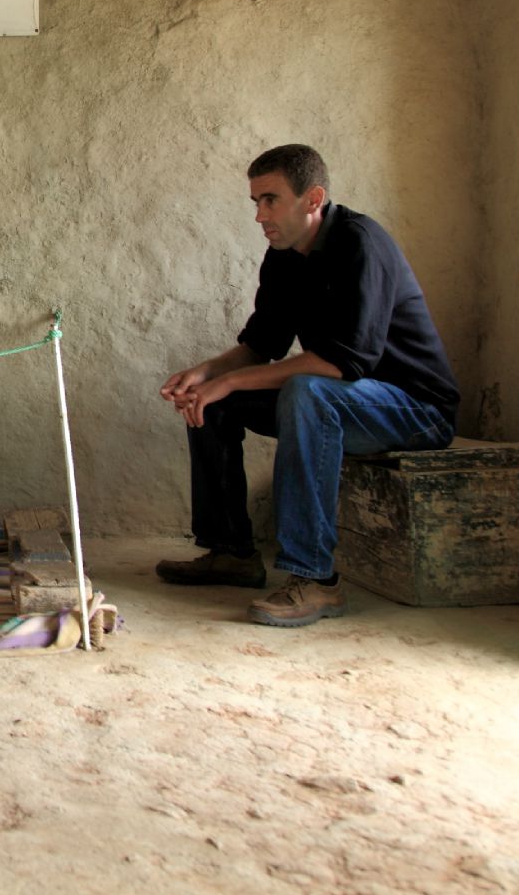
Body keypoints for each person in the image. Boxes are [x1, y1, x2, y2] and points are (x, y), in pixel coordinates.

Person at [157, 144, 458, 628]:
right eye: (255, 202)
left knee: (306, 391)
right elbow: (261, 345)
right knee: (212, 404)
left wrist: (230, 381)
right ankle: (232, 553)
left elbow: (343, 363)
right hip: (340, 399)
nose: (259, 215)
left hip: (413, 409)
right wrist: (208, 374)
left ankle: (315, 579)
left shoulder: (362, 243)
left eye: (270, 200)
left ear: (312, 198)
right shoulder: (282, 257)